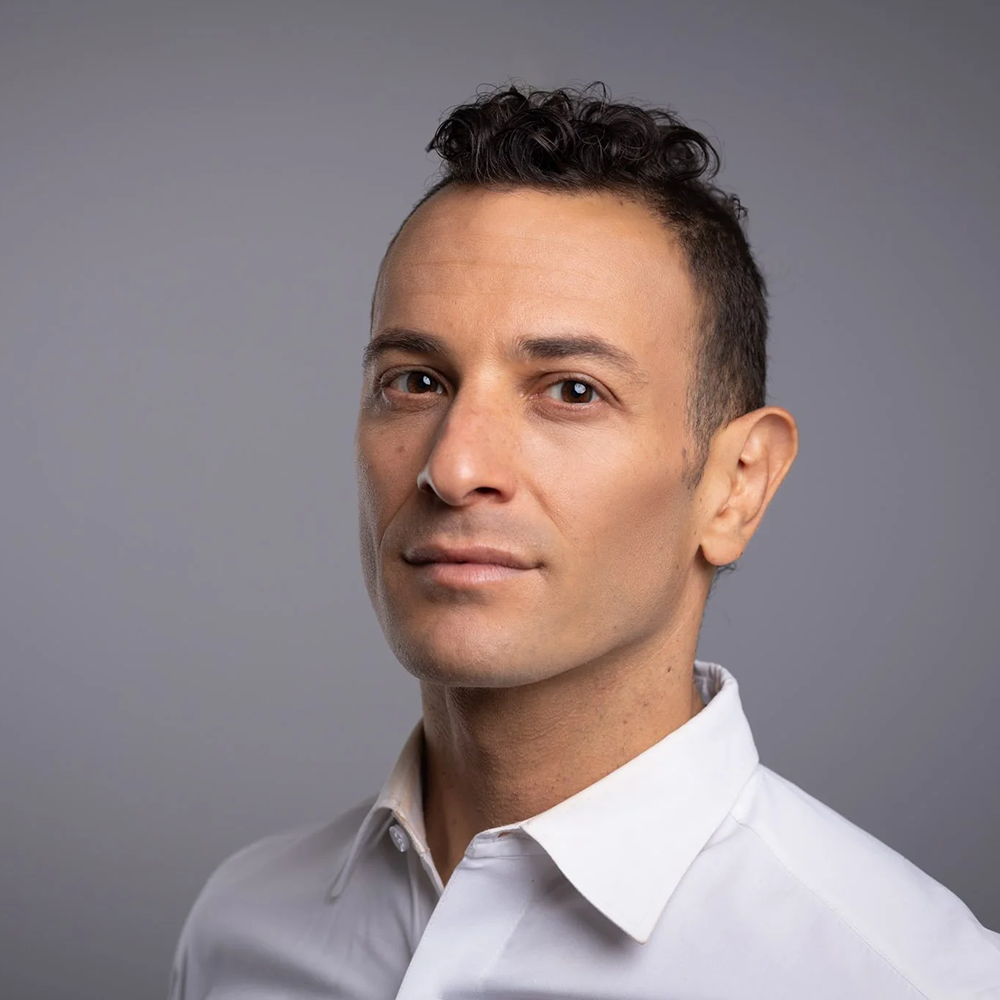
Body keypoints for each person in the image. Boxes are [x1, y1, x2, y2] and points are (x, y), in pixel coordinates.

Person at [168, 83, 1000, 999]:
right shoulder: (240, 930)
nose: (454, 467)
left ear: (737, 485)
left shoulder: (904, 980)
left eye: (571, 391)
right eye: (415, 380)